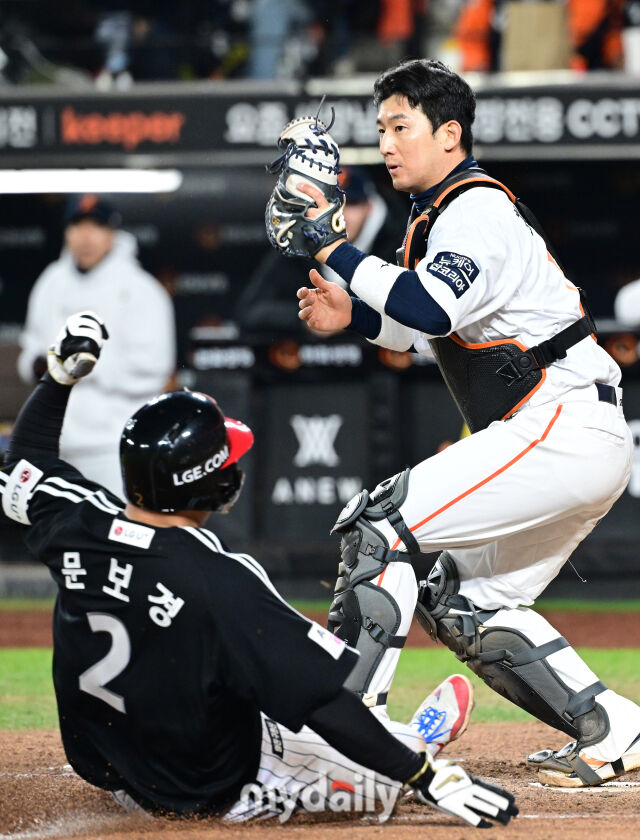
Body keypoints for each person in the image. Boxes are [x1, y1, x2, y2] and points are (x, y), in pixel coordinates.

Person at [0, 310, 517, 827]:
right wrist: (422, 774)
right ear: (208, 484)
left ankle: (396, 739)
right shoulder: (219, 578)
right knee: (338, 752)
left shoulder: (75, 520)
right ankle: (413, 743)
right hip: (210, 790)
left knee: (241, 675)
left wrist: (60, 378)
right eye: (224, 460)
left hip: (110, 769)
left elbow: (24, 462)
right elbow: (323, 703)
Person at [291, 59, 640, 787]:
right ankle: (614, 728)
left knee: (378, 522)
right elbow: (417, 331)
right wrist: (349, 313)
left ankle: (350, 737)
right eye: (379, 128)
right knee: (463, 600)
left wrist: (334, 249)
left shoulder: (475, 208)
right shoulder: (438, 216)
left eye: (399, 126)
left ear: (449, 134)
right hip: (565, 431)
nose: (385, 143)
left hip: (562, 422)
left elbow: (428, 308)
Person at [17, 195, 176, 497]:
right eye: (77, 226)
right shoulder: (51, 282)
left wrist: (84, 364)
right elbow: (30, 352)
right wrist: (42, 364)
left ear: (112, 233)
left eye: (96, 226)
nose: (85, 236)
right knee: (55, 537)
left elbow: (153, 368)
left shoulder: (140, 290)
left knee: (115, 535)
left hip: (113, 445)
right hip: (54, 443)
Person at [236, 166, 406, 334]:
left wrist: (352, 316)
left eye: (351, 203)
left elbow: (415, 314)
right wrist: (308, 316)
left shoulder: (399, 244)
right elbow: (250, 311)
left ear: (369, 207)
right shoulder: (297, 244)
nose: (341, 215)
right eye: (331, 205)